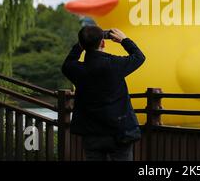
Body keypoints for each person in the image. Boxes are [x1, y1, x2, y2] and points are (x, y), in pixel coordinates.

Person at [61, 26, 145, 161]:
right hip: (119, 132)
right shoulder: (115, 64)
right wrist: (124, 40)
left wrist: (81, 45)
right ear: (103, 43)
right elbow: (139, 57)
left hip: (91, 133)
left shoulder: (75, 69)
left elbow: (67, 63)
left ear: (82, 45)